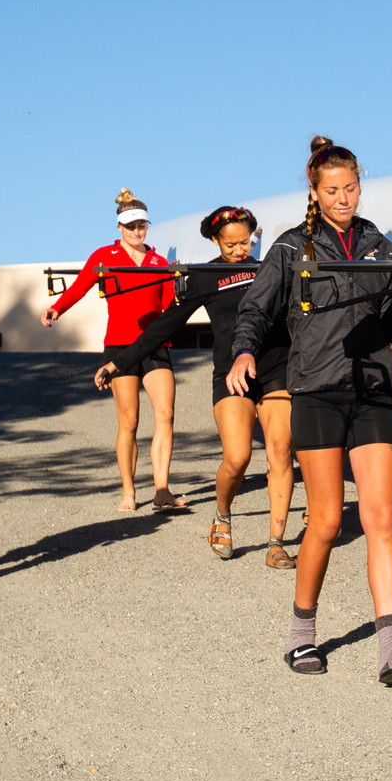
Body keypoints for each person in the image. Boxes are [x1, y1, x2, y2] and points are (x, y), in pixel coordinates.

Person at [228, 136, 392, 685]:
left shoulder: (375, 244)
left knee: (381, 518)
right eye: (334, 190)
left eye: (353, 187)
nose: (345, 197)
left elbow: (391, 326)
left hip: (371, 391)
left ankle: (391, 650)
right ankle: (301, 636)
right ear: (315, 191)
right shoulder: (293, 249)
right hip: (316, 392)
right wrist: (244, 349)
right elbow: (256, 309)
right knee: (324, 520)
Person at [97, 206, 297, 567]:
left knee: (280, 452)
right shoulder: (205, 276)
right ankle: (222, 514)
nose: (240, 250)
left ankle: (276, 542)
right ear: (215, 240)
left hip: (275, 369)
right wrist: (119, 362)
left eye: (246, 241)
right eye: (231, 243)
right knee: (237, 458)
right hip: (231, 374)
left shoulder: (269, 268)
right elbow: (164, 326)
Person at [44, 189, 187, 512]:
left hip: (154, 345)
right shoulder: (104, 256)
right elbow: (80, 286)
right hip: (120, 346)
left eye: (142, 226)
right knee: (130, 421)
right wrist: (56, 309)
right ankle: (128, 491)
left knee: (165, 415)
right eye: (131, 226)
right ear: (120, 228)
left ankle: (162, 489)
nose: (137, 232)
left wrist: (180, 294)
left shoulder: (158, 261)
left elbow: (167, 308)